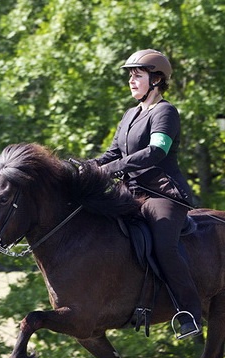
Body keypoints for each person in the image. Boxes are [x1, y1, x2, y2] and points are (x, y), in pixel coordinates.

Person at [86, 49, 202, 338]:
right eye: (130, 76)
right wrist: (85, 168)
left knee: (164, 246)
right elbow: (111, 153)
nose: (131, 81)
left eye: (137, 76)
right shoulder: (129, 115)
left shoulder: (166, 112)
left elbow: (155, 152)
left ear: (157, 79)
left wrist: (109, 170)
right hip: (131, 194)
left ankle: (189, 312)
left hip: (162, 196)